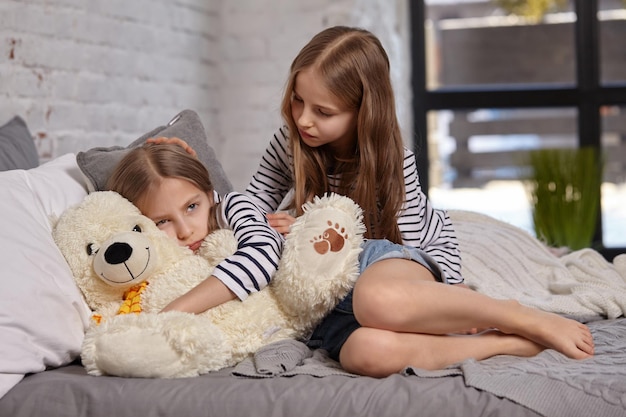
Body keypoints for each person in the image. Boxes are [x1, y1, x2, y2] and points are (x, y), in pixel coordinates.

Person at [242, 25, 594, 377]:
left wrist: (457, 296)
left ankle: (511, 313)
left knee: (374, 300)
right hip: (327, 304)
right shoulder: (289, 144)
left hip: (381, 267)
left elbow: (420, 239)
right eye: (297, 99)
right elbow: (251, 204)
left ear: (363, 112)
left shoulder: (395, 163)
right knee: (367, 355)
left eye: (324, 111)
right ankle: (501, 344)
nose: (303, 118)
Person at [106, 142, 283, 314]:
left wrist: (174, 311)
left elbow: (264, 252)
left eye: (191, 207)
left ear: (209, 194)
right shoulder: (145, 253)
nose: (185, 232)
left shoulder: (231, 208)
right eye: (162, 221)